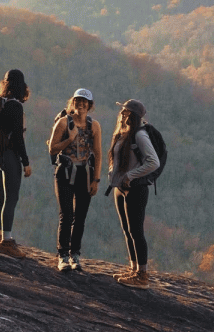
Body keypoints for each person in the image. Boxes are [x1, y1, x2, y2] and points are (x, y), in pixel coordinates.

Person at [47, 88, 103, 272]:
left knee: (80, 217)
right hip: (65, 171)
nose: (81, 104)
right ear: (73, 102)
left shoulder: (94, 126)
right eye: (78, 101)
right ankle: (63, 255)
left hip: (84, 173)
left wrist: (96, 179)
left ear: (90, 105)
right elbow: (52, 149)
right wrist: (69, 139)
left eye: (84, 102)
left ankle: (75, 255)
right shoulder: (64, 122)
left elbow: (98, 153)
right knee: (66, 215)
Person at [108, 99, 161, 287]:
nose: (122, 114)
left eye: (126, 112)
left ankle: (142, 275)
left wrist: (130, 175)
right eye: (122, 111)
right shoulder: (123, 133)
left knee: (136, 231)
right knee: (127, 230)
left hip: (135, 189)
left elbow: (154, 162)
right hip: (121, 189)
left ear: (134, 116)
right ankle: (133, 269)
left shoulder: (139, 135)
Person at [0, 69, 33, 257]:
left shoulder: (0, 102)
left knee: (1, 197)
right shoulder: (16, 106)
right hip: (10, 156)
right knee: (11, 198)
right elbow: (18, 138)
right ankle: (7, 241)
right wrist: (26, 162)